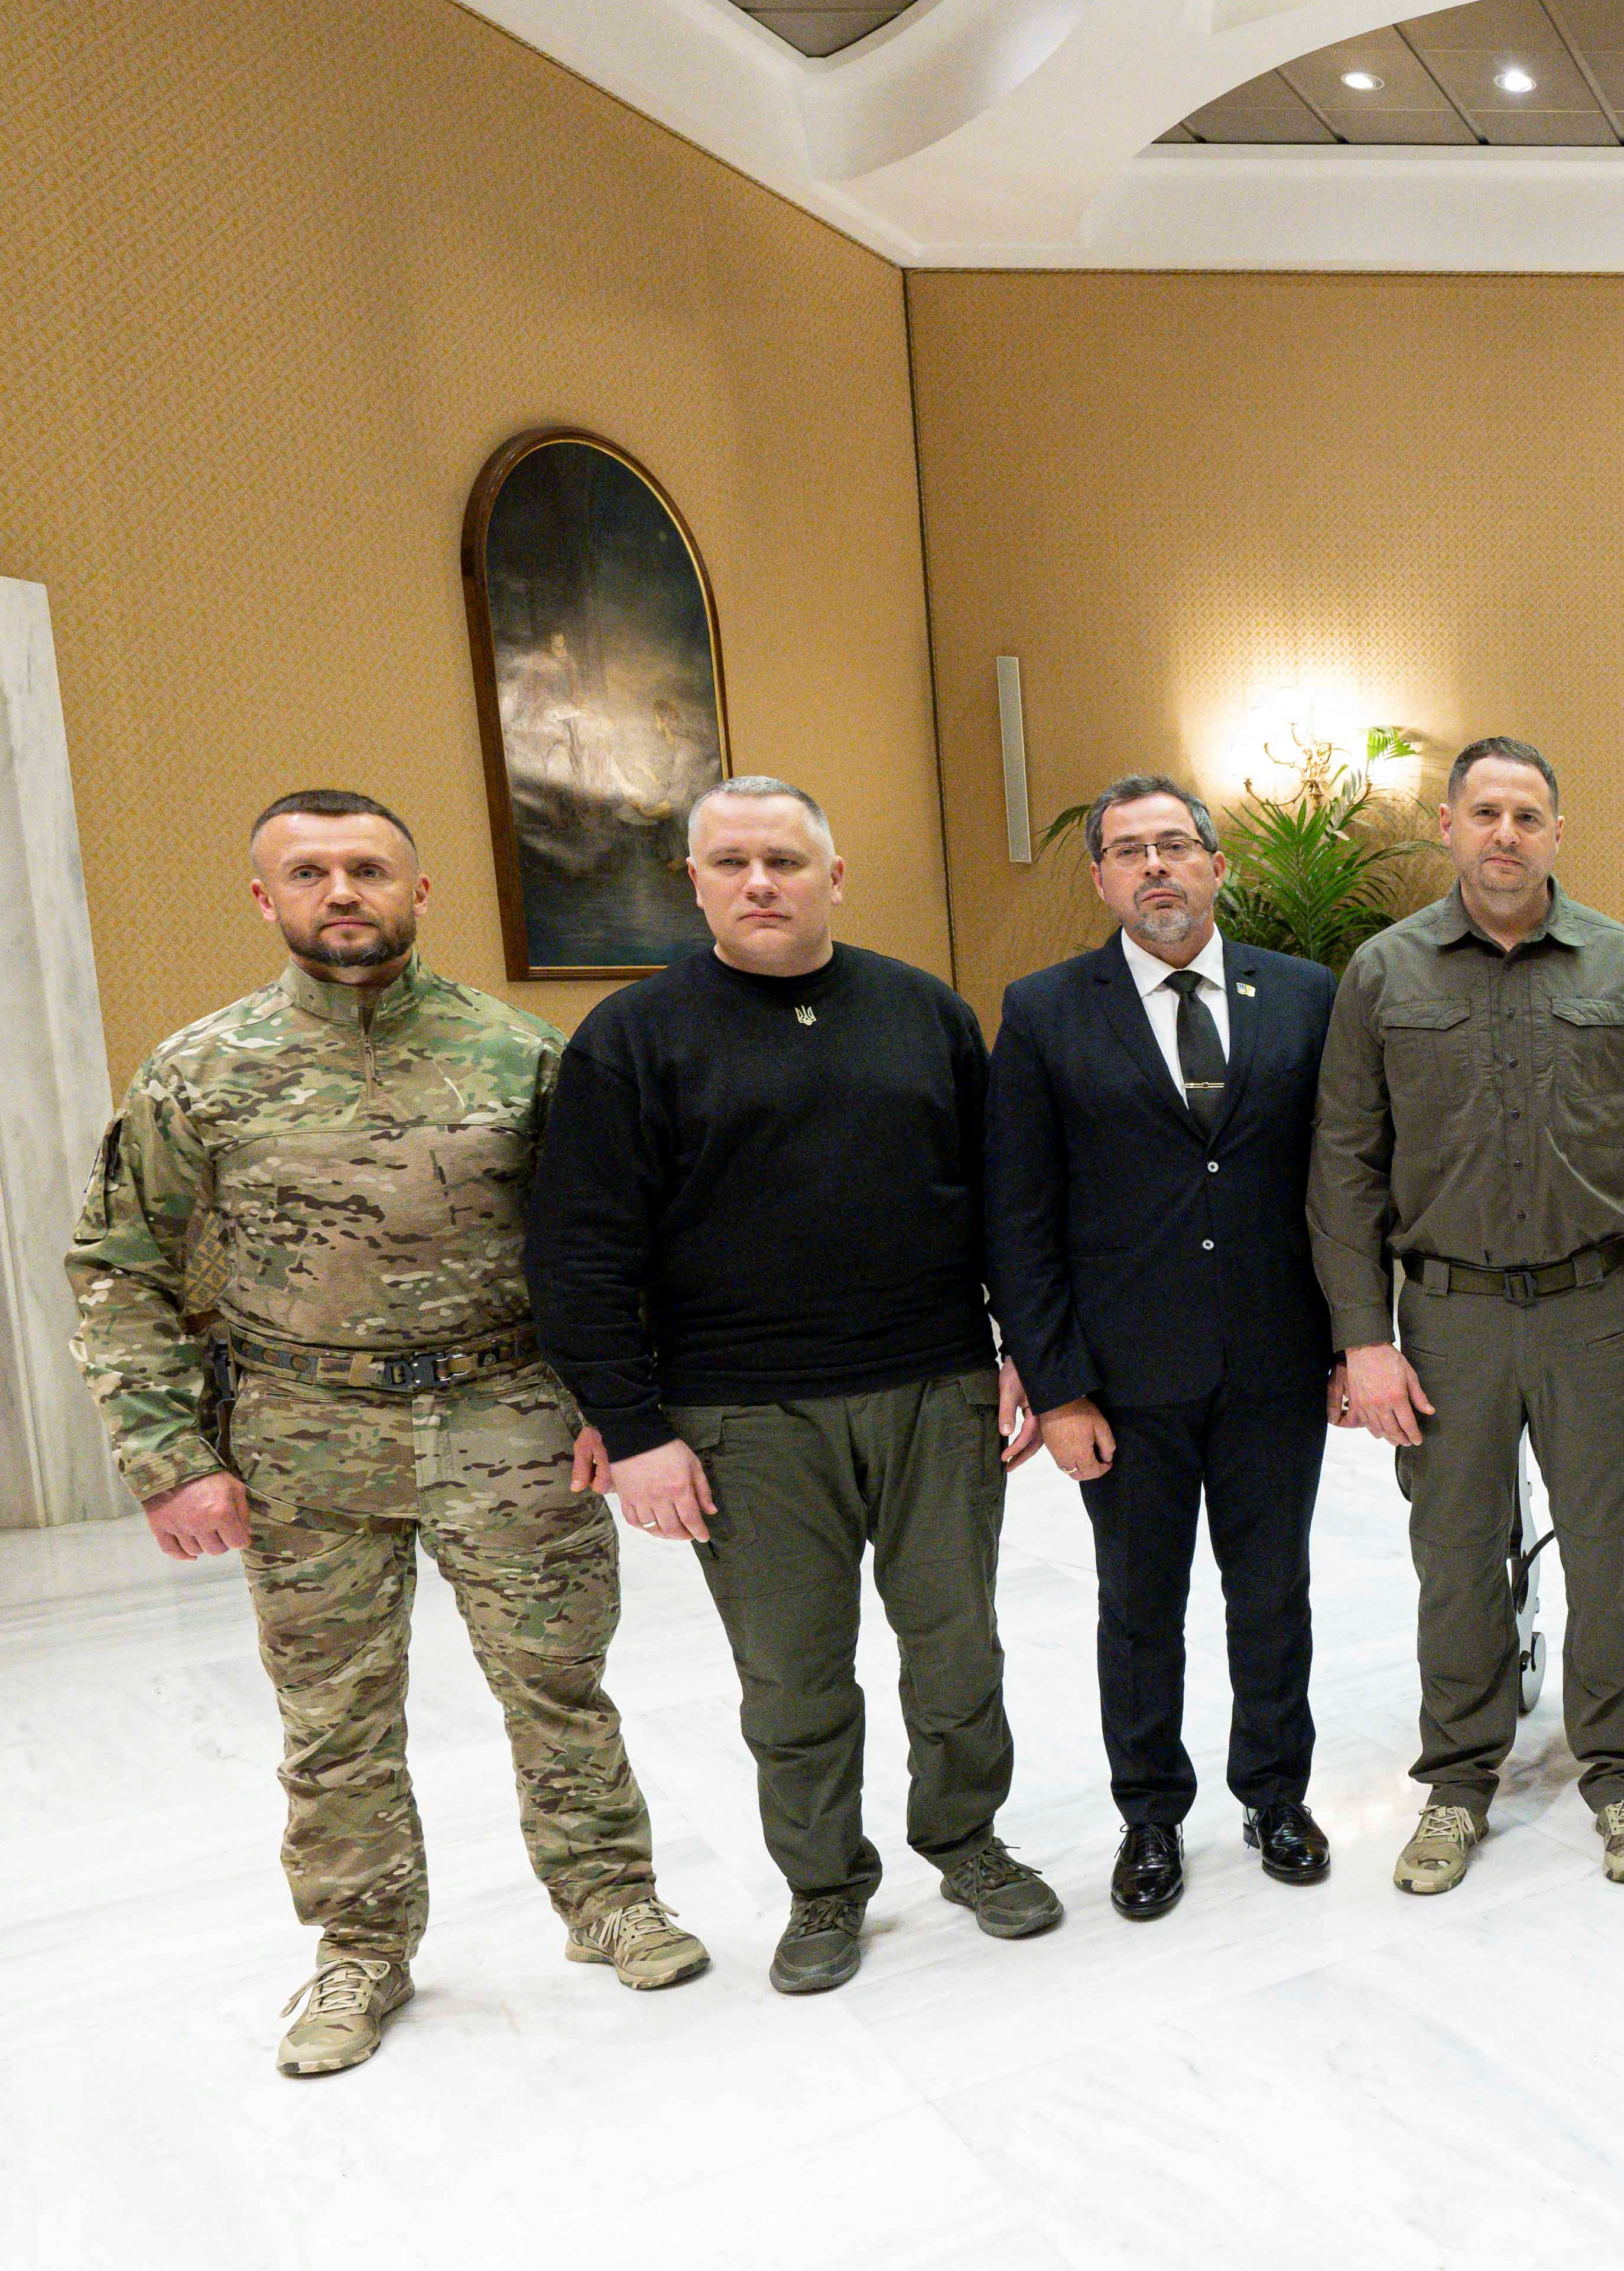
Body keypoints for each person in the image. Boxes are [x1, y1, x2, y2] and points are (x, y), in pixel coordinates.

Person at [67, 791, 699, 2077]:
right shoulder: (201, 1069)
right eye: (309, 872)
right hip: (303, 1433)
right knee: (333, 1716)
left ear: (423, 891)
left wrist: (613, 1406)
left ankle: (609, 1897)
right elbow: (118, 1264)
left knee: (557, 1680)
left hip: (510, 1414)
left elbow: (613, 1247)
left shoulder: (520, 1055)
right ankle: (360, 1947)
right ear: (264, 898)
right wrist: (170, 1454)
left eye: (370, 868)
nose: (341, 891)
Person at [528, 777, 1061, 1995]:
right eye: (730, 862)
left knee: (956, 1647)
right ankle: (824, 1884)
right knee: (794, 1673)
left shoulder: (921, 1012)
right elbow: (579, 1248)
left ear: (834, 874)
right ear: (697, 882)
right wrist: (634, 1425)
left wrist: (1027, 1342)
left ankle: (966, 1839)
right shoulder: (634, 1037)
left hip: (933, 1389)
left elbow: (1001, 1203)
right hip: (744, 1415)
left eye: (783, 858)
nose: (758, 881)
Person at [1309, 739, 1624, 1894]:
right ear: (1447, 826)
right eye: (1483, 811)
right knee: (1454, 1556)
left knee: (1606, 1553)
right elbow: (1343, 1165)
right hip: (1446, 1320)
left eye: (1527, 814)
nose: (1504, 833)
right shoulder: (1384, 974)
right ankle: (1459, 1781)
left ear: (1556, 832)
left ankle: (1619, 1771)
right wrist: (1364, 1336)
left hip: (1596, 1308)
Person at [988, 774, 1340, 1919]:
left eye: (1177, 844)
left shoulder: (1303, 996)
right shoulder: (1046, 1009)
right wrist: (1058, 1386)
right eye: (1130, 849)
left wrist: (1350, 1342)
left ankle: (1275, 1791)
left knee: (1272, 1589)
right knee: (1140, 1605)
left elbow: (1339, 1187)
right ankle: (1149, 1815)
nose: (1156, 866)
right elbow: (1020, 1216)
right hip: (1123, 1384)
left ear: (1216, 864)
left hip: (1277, 1366)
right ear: (1099, 876)